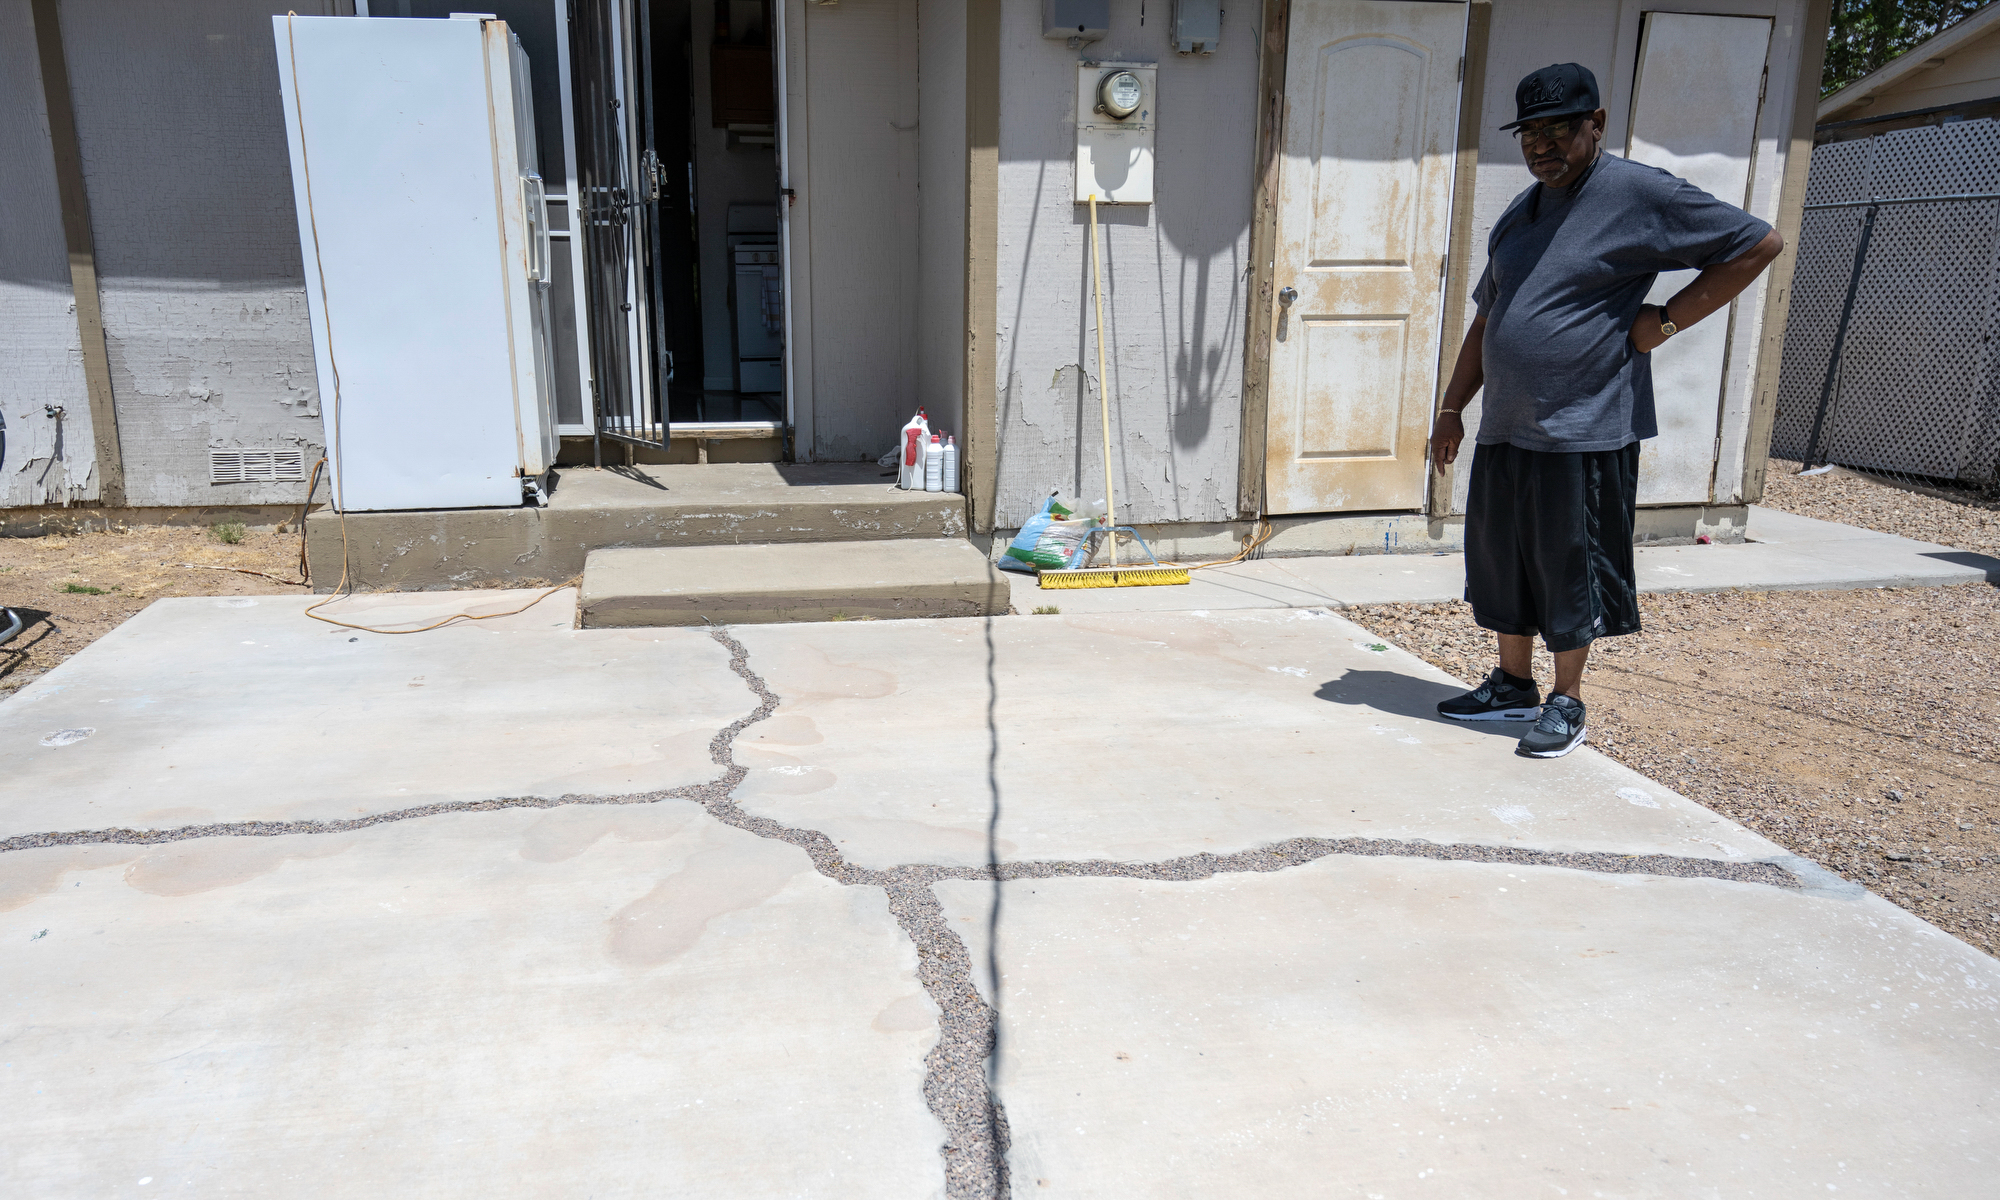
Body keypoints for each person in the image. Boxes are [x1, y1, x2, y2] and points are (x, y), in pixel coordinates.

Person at [1429, 63, 1784, 759]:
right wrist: (1451, 406)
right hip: (1507, 424)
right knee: (1505, 561)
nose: (1543, 145)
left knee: (1570, 568)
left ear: (1597, 123)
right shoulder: (1522, 211)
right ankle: (1511, 685)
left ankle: (1568, 700)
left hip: (1584, 426)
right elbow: (1487, 317)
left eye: (1560, 127)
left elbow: (1756, 243)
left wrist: (1669, 321)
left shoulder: (1637, 193)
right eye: (1531, 131)